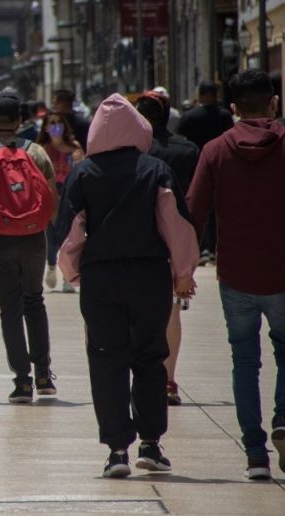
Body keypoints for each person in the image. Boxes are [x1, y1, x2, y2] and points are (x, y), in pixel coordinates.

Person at [56, 93, 198, 478]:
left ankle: (117, 450)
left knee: (106, 359)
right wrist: (184, 272)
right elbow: (174, 223)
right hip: (149, 275)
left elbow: (71, 232)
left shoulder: (82, 173)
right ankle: (151, 444)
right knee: (150, 357)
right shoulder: (154, 169)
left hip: (101, 278)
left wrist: (74, 273)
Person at [186, 69, 285, 480]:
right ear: (274, 103)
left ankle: (255, 453)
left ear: (232, 109)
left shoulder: (214, 150)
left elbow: (194, 209)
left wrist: (184, 265)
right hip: (283, 272)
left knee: (244, 361)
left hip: (236, 273)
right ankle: (284, 419)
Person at [0, 92, 58, 404]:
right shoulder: (37, 152)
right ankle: (44, 373)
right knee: (35, 301)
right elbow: (52, 203)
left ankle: (22, 381)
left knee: (10, 308)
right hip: (33, 239)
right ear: (19, 121)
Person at [136, 90, 201, 407]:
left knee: (135, 314)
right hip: (175, 241)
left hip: (138, 240)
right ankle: (168, 381)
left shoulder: (132, 151)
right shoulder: (187, 149)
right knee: (172, 310)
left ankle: (140, 379)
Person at [178, 80, 235, 265]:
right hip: (222, 164)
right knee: (221, 208)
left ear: (201, 95)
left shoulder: (190, 116)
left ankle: (203, 248)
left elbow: (182, 138)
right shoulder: (225, 116)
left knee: (199, 206)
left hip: (198, 165)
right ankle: (217, 247)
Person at [36, 110, 84, 293]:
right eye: (52, 122)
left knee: (68, 237)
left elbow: (82, 171)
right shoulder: (40, 148)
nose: (55, 126)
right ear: (46, 127)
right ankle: (50, 266)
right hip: (47, 197)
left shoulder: (74, 148)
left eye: (59, 122)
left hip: (69, 197)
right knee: (50, 237)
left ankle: (67, 275)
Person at [51, 89, 91, 154]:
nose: (53, 107)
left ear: (63, 103)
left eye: (55, 103)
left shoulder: (82, 124)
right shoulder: (55, 123)